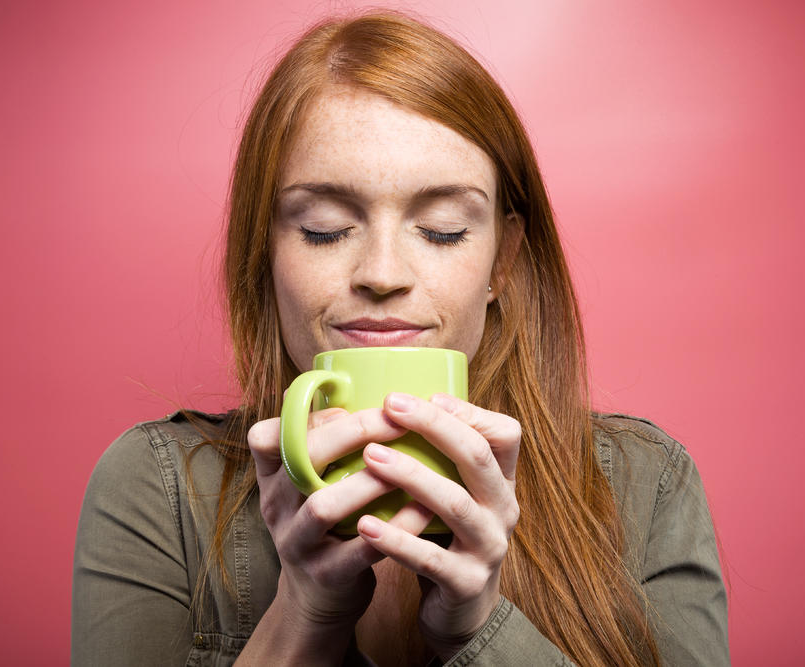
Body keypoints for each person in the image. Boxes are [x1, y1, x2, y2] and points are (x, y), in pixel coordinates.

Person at [72, 11, 729, 667]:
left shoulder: (649, 486)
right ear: (264, 252)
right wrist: (302, 612)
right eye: (324, 228)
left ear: (502, 263)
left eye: (442, 229)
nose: (382, 275)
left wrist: (477, 625)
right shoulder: (157, 489)